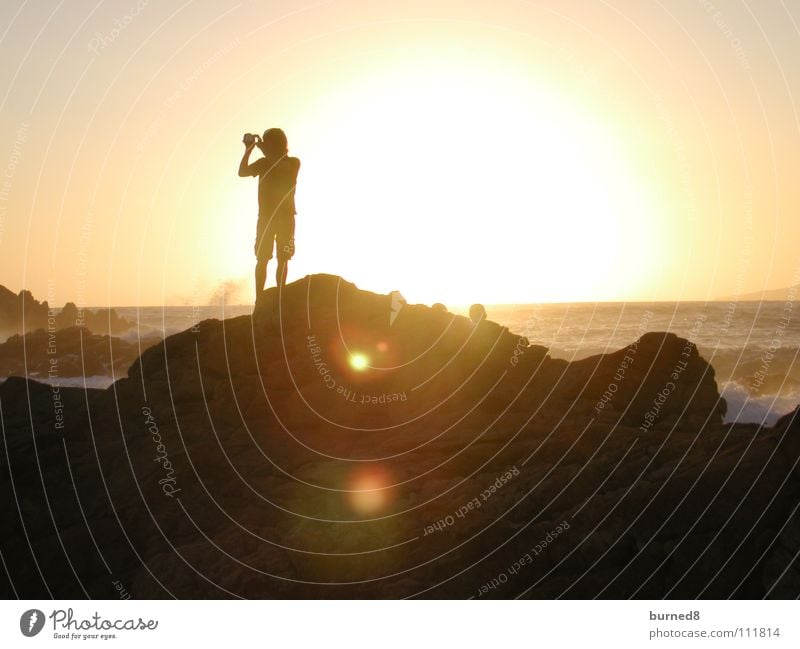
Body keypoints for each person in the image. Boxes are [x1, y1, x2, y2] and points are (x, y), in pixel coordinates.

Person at [238, 128, 300, 300]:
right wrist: (248, 150)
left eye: (268, 142)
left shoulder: (293, 162)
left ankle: (280, 296)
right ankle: (259, 299)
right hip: (266, 218)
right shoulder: (264, 163)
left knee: (284, 257)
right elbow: (242, 172)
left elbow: (280, 167)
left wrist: (264, 150)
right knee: (262, 258)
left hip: (286, 218)